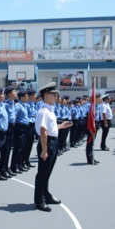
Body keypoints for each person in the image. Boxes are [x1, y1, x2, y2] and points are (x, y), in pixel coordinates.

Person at [34, 82, 72, 212]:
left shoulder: (50, 110)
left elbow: (50, 128)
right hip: (47, 143)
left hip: (52, 142)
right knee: (42, 173)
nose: (56, 96)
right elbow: (43, 131)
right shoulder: (44, 111)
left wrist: (61, 126)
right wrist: (44, 150)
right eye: (53, 94)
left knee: (47, 172)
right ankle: (39, 200)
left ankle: (46, 195)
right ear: (46, 95)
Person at [10, 91, 29, 174]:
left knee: (22, 147)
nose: (27, 97)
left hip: (25, 128)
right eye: (26, 96)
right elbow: (15, 117)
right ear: (21, 97)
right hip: (19, 127)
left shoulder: (24, 105)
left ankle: (19, 163)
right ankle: (14, 166)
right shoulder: (18, 106)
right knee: (18, 148)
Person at [0, 86, 17, 178]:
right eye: (14, 92)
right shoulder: (5, 104)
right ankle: (2, 169)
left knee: (9, 148)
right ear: (9, 94)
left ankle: (6, 168)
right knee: (5, 149)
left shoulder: (13, 103)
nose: (16, 93)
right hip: (7, 127)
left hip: (12, 127)